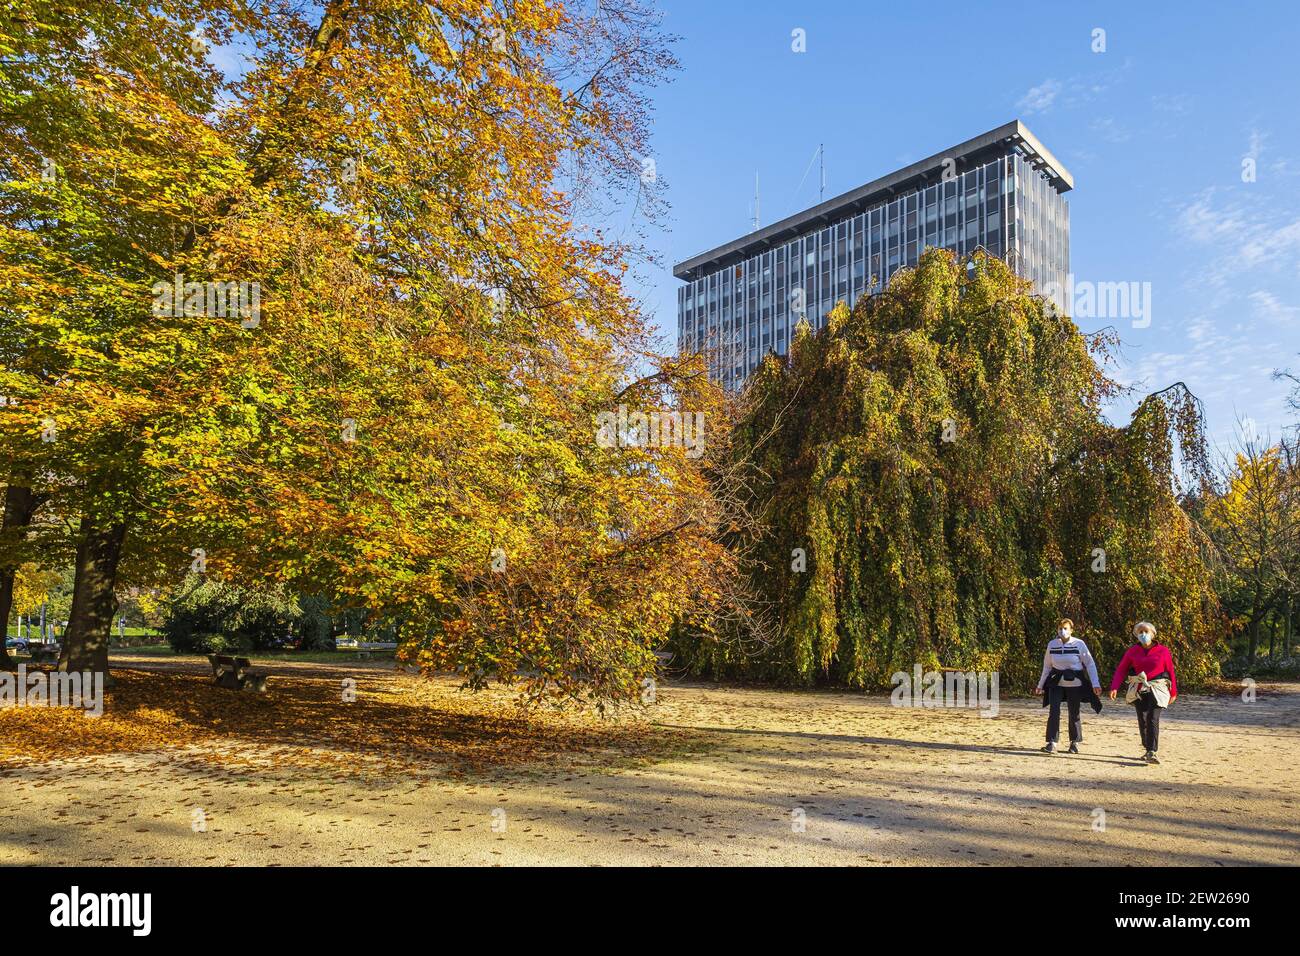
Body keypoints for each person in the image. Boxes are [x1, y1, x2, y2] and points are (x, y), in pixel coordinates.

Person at [1109, 621, 1177, 764]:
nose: (1143, 634)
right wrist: (1114, 687)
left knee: (1153, 717)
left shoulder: (1163, 651)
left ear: (1153, 634)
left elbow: (1170, 671)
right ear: (1136, 635)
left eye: (1146, 631)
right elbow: (1122, 669)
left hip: (1158, 687)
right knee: (1143, 718)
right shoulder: (1132, 651)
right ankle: (1147, 748)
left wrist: (1173, 691)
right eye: (1140, 632)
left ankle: (1152, 751)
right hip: (1139, 688)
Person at [1033, 618, 1103, 754]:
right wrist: (1040, 685)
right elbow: (1047, 666)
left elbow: (1089, 663)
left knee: (1074, 712)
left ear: (1071, 630)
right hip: (1056, 682)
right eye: (1060, 628)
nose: (1062, 631)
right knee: (1054, 711)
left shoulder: (1079, 644)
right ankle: (1052, 743)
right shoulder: (1052, 645)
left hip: (1075, 683)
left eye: (1065, 628)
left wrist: (1095, 683)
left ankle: (1074, 743)